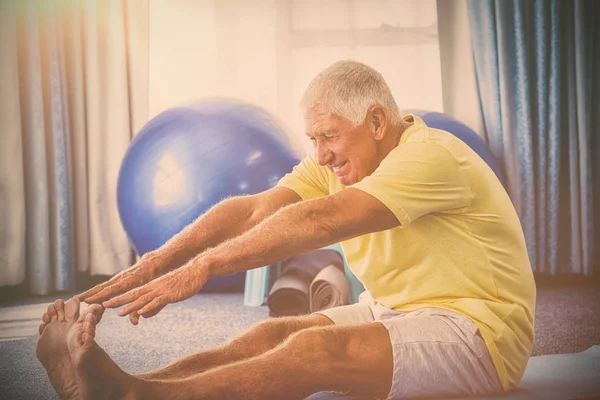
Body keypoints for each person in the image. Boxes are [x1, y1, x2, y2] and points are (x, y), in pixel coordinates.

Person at [36, 60, 536, 400]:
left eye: (330, 136)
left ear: (378, 121)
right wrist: (158, 261)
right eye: (313, 139)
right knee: (270, 333)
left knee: (312, 351)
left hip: (480, 334)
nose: (320, 154)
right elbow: (254, 210)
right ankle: (126, 383)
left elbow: (322, 220)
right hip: (396, 310)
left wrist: (206, 266)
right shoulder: (340, 161)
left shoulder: (430, 155)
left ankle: (137, 397)